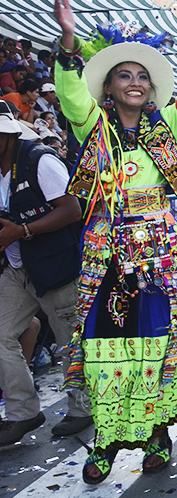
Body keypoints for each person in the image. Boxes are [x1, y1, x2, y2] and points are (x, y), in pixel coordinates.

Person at [53, 0, 177, 484]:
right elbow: (70, 94)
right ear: (108, 86)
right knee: (104, 342)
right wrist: (68, 42)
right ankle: (107, 438)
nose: (136, 82)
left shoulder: (167, 127)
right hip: (106, 253)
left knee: (156, 339)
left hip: (157, 254)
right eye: (124, 75)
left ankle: (157, 432)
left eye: (142, 76)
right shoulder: (93, 125)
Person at [0, 113, 89, 446]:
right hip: (17, 268)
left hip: (55, 267)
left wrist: (23, 230)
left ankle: (82, 408)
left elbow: (71, 209)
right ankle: (23, 412)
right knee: (1, 335)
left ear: (9, 136)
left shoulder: (40, 161)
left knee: (68, 339)